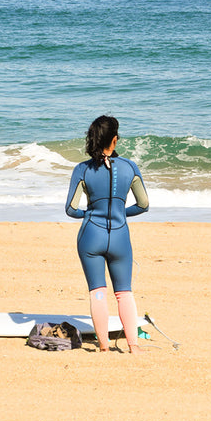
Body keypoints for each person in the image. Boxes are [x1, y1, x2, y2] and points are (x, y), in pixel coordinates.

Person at [65, 115, 149, 353]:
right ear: (114, 139)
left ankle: (103, 346)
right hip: (120, 236)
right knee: (124, 292)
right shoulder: (130, 167)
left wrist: (91, 214)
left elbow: (70, 209)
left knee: (98, 291)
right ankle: (133, 346)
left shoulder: (82, 169)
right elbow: (143, 205)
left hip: (91, 235)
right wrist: (120, 212)